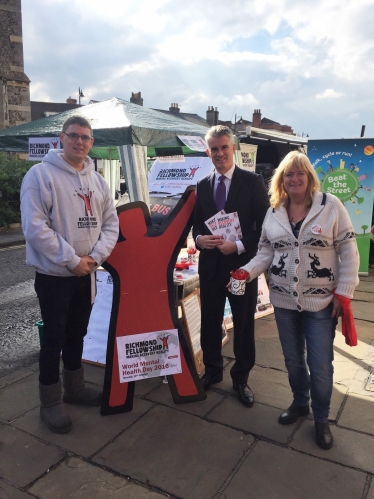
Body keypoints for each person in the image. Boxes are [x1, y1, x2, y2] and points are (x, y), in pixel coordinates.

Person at [239, 150, 359, 449]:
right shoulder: (274, 211)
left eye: (300, 173)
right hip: (283, 301)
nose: (294, 179)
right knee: (293, 361)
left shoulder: (330, 206)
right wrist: (245, 271)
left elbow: (349, 252)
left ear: (309, 177)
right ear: (281, 180)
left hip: (321, 303)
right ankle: (299, 403)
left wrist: (343, 292)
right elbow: (266, 253)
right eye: (288, 174)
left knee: (320, 365)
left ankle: (321, 419)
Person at [20, 116, 119, 434]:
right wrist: (71, 260)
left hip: (86, 272)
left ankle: (74, 390)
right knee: (53, 339)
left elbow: (111, 223)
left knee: (77, 334)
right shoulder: (40, 176)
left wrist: (95, 257)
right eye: (73, 136)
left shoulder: (98, 180)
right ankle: (50, 403)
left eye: (86, 138)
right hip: (54, 276)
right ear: (61, 138)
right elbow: (35, 228)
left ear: (92, 143)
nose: (79, 142)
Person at [193, 125, 269, 407]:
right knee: (210, 323)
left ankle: (241, 379)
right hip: (211, 269)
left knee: (243, 323)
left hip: (241, 269)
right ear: (207, 151)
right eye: (214, 148)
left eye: (224, 147)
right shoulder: (202, 185)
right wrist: (201, 239)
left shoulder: (252, 182)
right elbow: (196, 225)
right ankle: (212, 372)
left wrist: (237, 246)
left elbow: (264, 227)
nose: (219, 153)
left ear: (233, 148)